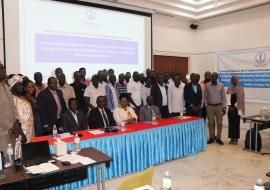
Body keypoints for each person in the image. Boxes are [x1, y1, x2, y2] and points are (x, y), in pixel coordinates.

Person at [9, 75, 34, 159]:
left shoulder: (22, 97)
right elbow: (15, 120)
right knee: (19, 157)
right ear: (12, 87)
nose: (21, 86)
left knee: (28, 159)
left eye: (21, 84)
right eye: (18, 84)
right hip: (20, 136)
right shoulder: (12, 99)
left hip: (28, 133)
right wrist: (22, 135)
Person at [0, 64, 21, 157]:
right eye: (2, 71)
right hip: (2, 132)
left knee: (11, 158)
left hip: (12, 131)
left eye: (4, 70)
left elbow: (13, 107)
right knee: (4, 159)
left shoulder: (6, 87)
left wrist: (16, 122)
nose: (4, 73)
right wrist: (10, 126)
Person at [204, 72, 227, 145]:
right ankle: (211, 137)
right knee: (210, 123)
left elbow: (223, 97)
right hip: (210, 107)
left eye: (215, 76)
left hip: (219, 107)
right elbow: (205, 97)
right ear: (211, 77)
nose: (213, 78)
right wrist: (206, 105)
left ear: (217, 77)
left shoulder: (221, 85)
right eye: (212, 76)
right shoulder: (207, 85)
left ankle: (218, 138)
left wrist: (224, 108)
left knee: (219, 123)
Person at [226, 75, 245, 145]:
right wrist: (230, 106)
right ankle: (231, 138)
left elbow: (241, 100)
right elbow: (227, 98)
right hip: (230, 109)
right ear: (231, 81)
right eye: (232, 79)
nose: (233, 80)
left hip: (237, 109)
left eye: (235, 79)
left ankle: (236, 139)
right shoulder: (229, 88)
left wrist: (236, 107)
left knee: (236, 124)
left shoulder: (241, 89)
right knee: (231, 124)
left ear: (237, 80)